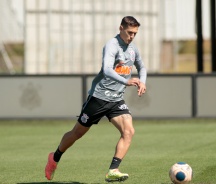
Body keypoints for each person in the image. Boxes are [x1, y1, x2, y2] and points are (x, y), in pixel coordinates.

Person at [45, 16, 147, 182]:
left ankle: (113, 170)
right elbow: (107, 70)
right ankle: (54, 157)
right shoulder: (111, 46)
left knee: (129, 131)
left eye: (135, 33)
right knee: (77, 133)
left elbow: (141, 67)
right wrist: (127, 81)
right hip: (99, 97)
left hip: (116, 100)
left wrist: (142, 81)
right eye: (129, 32)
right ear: (120, 28)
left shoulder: (133, 48)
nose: (132, 36)